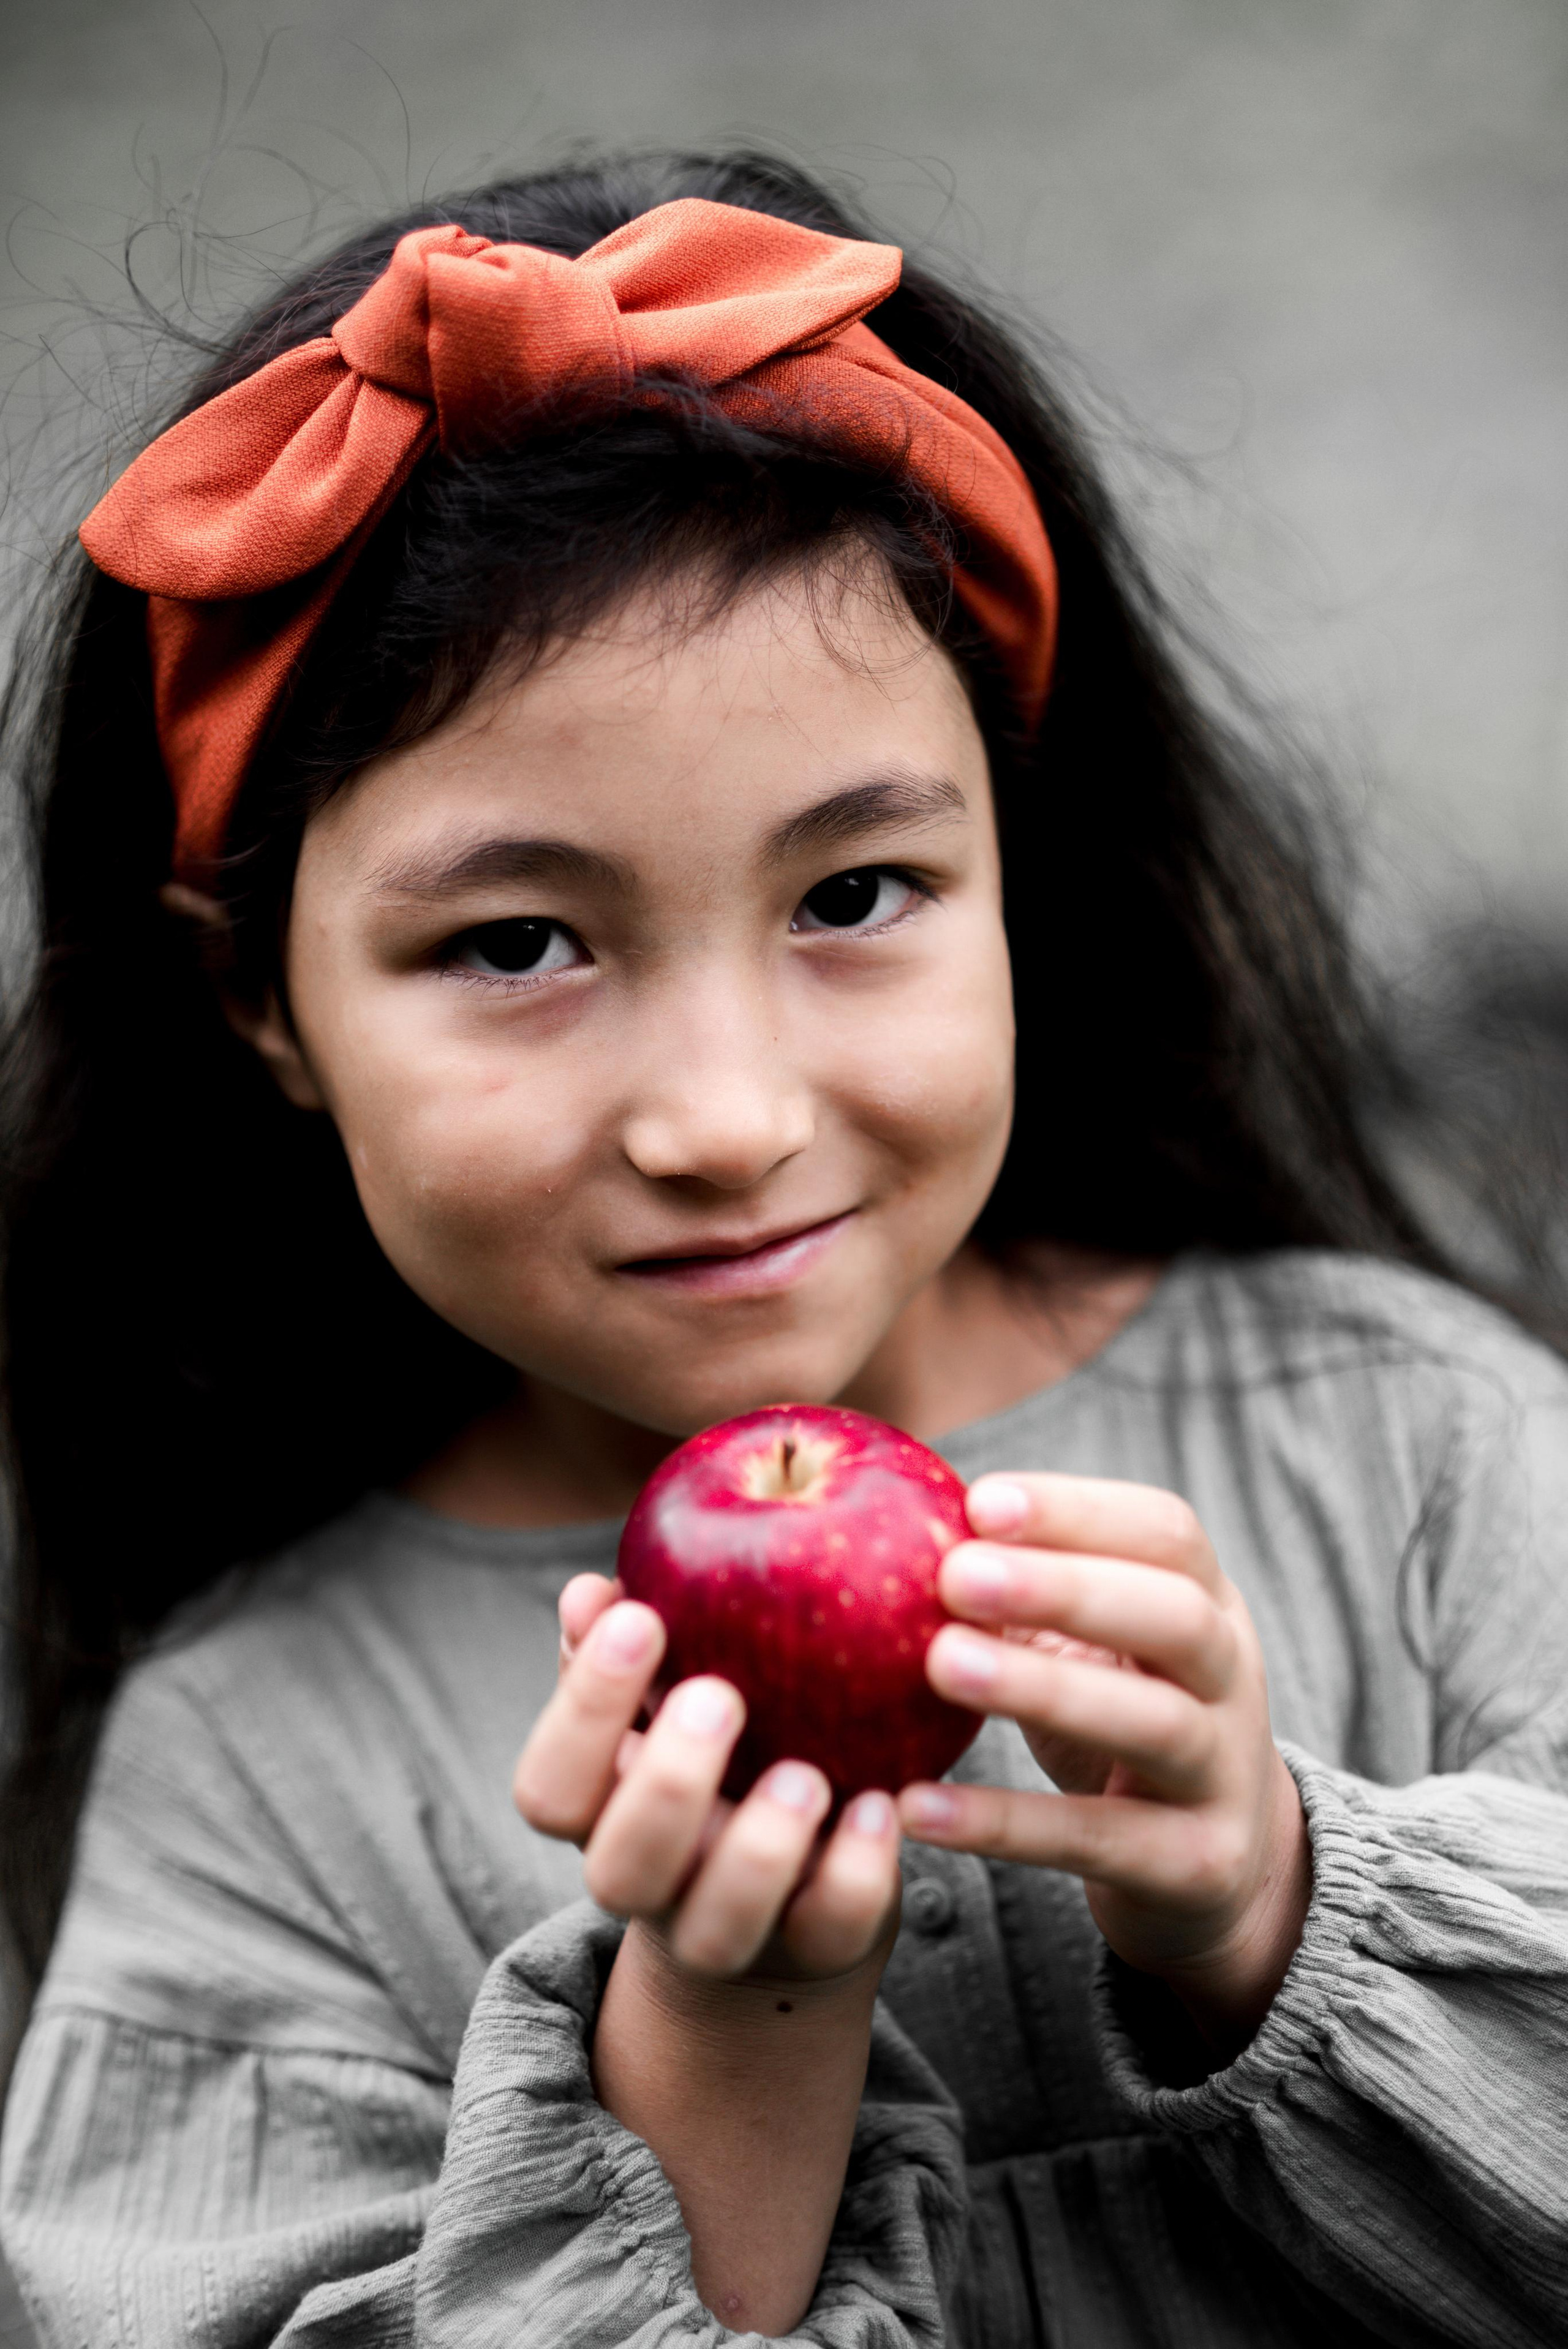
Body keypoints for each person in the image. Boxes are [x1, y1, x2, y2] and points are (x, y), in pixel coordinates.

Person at [0, 148, 1564, 2348]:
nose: (726, 1119)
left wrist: (1274, 1907)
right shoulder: (254, 1775)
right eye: (517, 942)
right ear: (258, 998)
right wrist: (722, 2048)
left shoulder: (1414, 1446)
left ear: (1016, 867)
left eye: (851, 895)